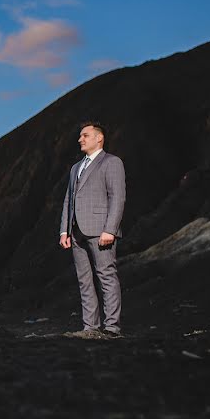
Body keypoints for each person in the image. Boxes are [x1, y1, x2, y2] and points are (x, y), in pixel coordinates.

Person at [59, 122, 126, 339]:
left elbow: (117, 197)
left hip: (101, 231)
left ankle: (112, 328)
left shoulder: (112, 162)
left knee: (106, 275)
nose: (80, 139)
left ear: (99, 138)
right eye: (80, 136)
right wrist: (64, 231)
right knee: (84, 280)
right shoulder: (75, 168)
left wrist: (111, 229)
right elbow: (68, 199)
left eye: (85, 135)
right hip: (76, 232)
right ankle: (90, 327)